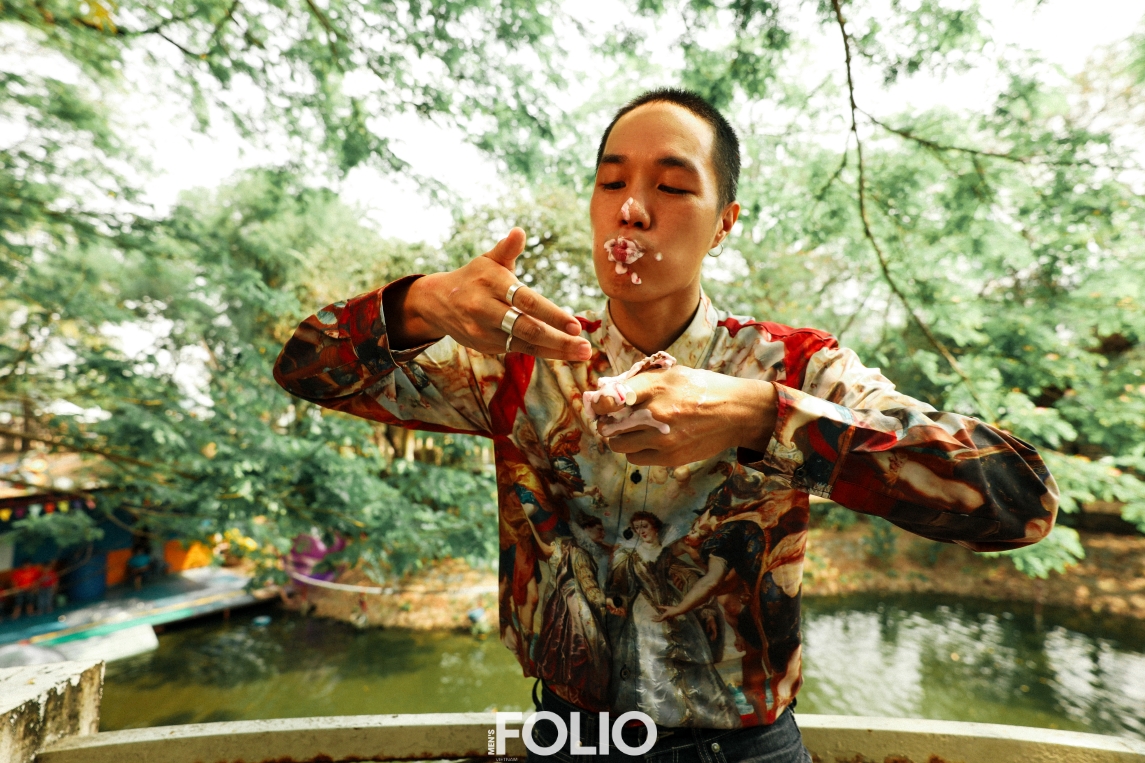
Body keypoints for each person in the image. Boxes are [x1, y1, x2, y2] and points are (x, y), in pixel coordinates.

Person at [274, 88, 1058, 762]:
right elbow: (304, 368)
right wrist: (414, 306)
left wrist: (763, 416)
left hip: (743, 746)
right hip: (565, 735)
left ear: (723, 223)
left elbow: (1018, 502)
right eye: (610, 182)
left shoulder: (793, 366)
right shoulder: (519, 367)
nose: (631, 208)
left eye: (674, 186)